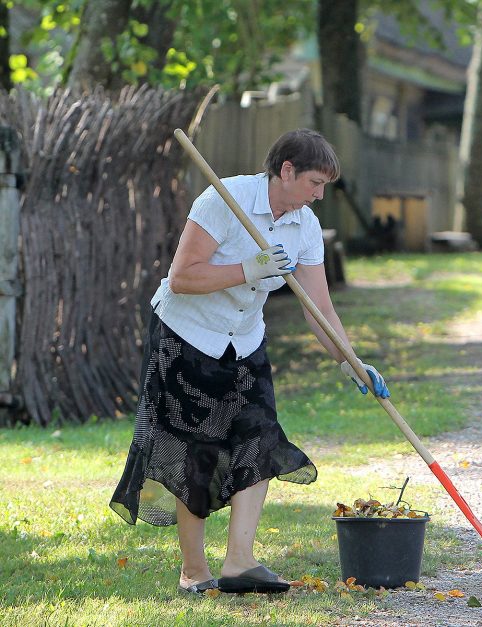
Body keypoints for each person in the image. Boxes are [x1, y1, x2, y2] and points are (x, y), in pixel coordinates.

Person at [110, 128, 390, 595]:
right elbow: (181, 278)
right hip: (186, 336)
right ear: (286, 171)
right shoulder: (224, 199)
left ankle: (240, 563)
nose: (319, 195)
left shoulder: (305, 227)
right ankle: (193, 572)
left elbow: (318, 307)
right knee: (193, 453)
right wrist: (248, 269)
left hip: (243, 343)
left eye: (323, 186)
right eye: (314, 184)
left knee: (259, 439)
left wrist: (352, 362)